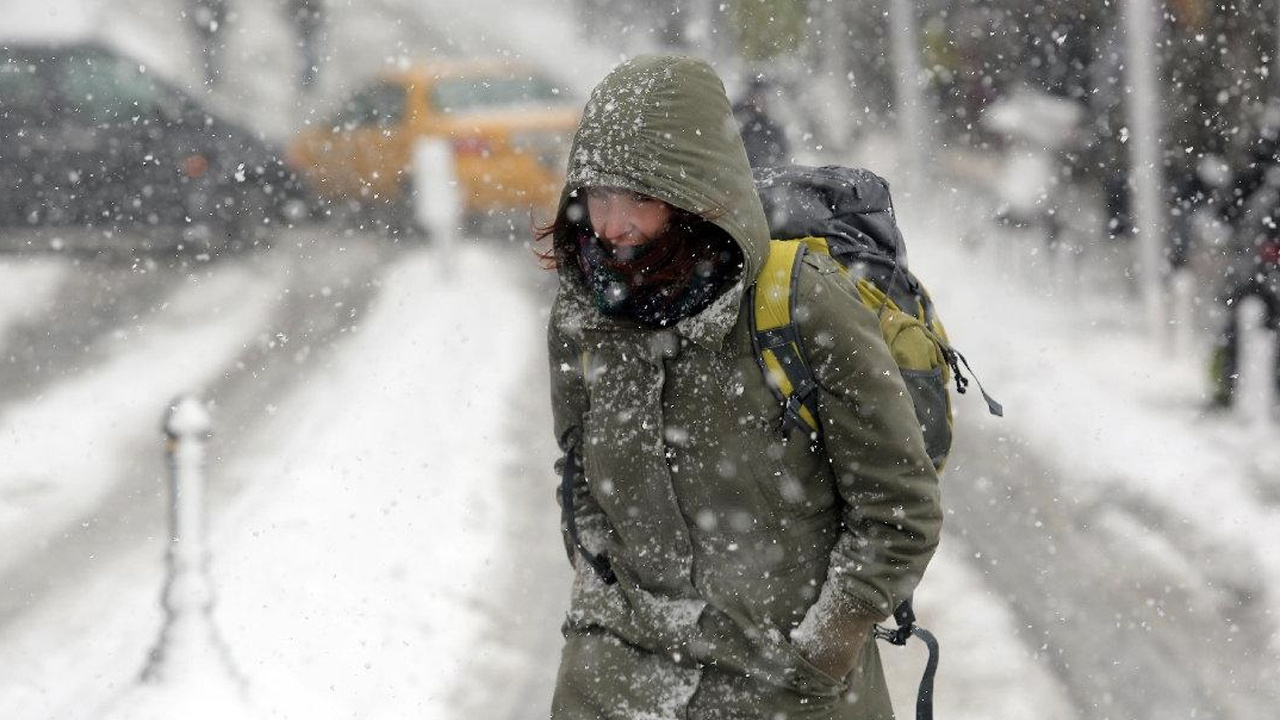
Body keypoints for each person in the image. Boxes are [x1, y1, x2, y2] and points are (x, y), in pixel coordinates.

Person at [539, 55, 942, 719]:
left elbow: (899, 509)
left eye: (638, 197)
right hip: (617, 684)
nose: (611, 226)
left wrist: (824, 648)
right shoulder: (584, 315)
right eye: (598, 196)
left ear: (696, 193)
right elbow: (578, 473)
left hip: (786, 689)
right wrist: (601, 596)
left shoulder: (802, 305)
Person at [732, 75, 790, 167]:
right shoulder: (743, 123)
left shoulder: (774, 128)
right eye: (756, 98)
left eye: (763, 98)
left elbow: (782, 156)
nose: (760, 102)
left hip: (768, 172)